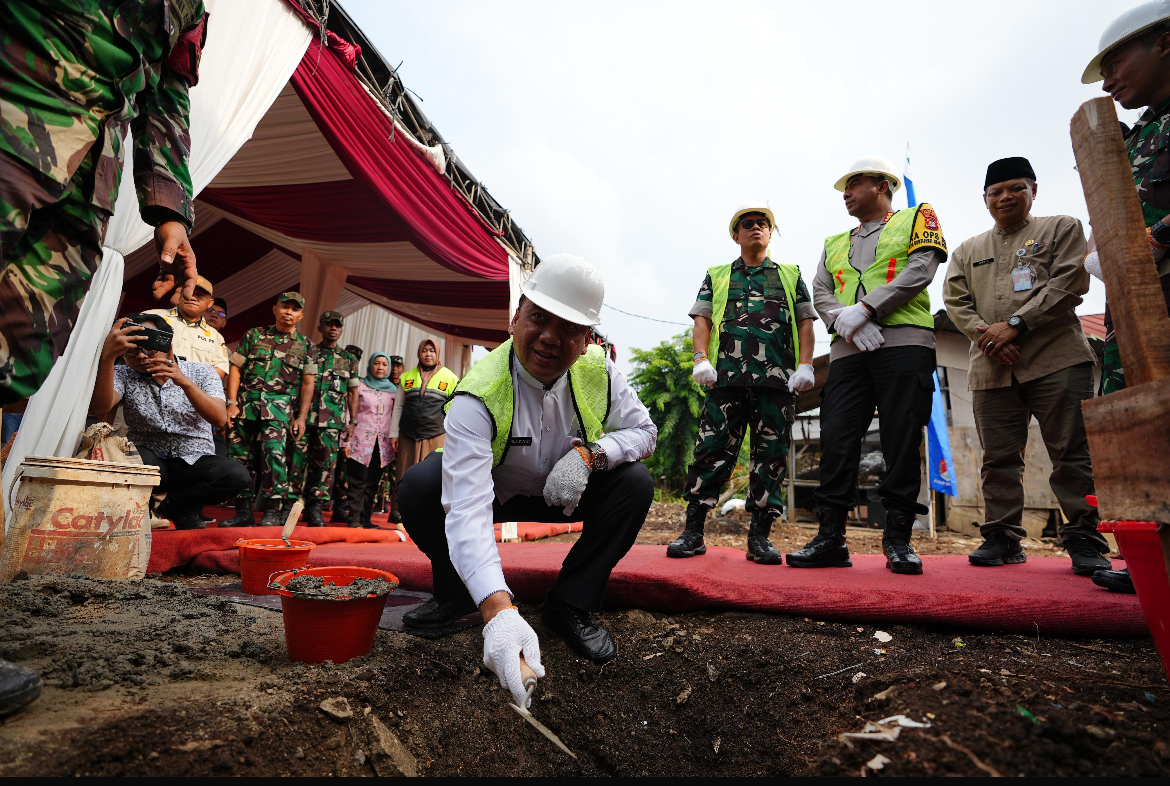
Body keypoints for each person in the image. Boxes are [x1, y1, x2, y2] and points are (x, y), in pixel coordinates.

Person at [397, 255, 657, 702]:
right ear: (516, 317)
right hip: (496, 490)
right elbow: (467, 508)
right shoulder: (477, 391)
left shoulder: (599, 371)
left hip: (566, 493)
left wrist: (593, 456)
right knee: (420, 486)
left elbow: (644, 431)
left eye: (570, 329)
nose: (550, 339)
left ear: (587, 338)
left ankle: (571, 604)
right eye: (538, 319)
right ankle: (460, 593)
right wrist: (498, 610)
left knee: (635, 484)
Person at [0, 1, 208, 409]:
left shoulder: (193, 6)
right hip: (17, 113)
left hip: (90, 180)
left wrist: (170, 211)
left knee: (21, 353)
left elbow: (167, 92)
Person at [943, 157, 1110, 576]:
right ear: (984, 199)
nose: (1005, 197)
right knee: (997, 458)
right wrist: (989, 336)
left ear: (1033, 190)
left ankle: (1086, 538)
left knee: (1072, 453)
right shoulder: (968, 250)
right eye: (996, 191)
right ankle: (1002, 537)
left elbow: (1071, 281)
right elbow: (955, 302)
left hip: (1056, 359)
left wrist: (1016, 324)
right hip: (991, 365)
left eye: (1016, 188)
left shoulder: (1061, 228)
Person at [789, 157, 948, 575]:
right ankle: (830, 538)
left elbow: (921, 269)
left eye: (854, 184)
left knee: (899, 438)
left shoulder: (918, 216)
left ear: (881, 186)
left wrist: (867, 309)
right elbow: (821, 290)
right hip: (847, 349)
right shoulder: (834, 241)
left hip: (905, 342)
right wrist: (846, 321)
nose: (845, 193)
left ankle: (898, 539)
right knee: (837, 439)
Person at [668, 205, 817, 563]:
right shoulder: (718, 275)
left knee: (771, 458)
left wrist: (806, 365)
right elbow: (702, 318)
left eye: (762, 224)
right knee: (711, 452)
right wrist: (700, 358)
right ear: (735, 235)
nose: (755, 228)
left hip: (776, 382)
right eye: (746, 225)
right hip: (727, 380)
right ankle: (693, 533)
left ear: (770, 233)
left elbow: (806, 323)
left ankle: (759, 538)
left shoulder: (789, 274)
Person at [1082, 0, 1170, 593]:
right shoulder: (1138, 136)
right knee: (1140, 430)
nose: (1108, 81)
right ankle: (1154, 564)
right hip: (1134, 309)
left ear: (1163, 42)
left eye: (1115, 63)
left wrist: (1156, 240)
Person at [88, 314, 248, 529]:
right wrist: (108, 358)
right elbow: (99, 407)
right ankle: (143, 507)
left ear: (167, 345)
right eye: (131, 351)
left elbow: (219, 418)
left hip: (194, 461)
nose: (142, 357)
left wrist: (183, 380)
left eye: (149, 349)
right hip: (150, 462)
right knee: (128, 456)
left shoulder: (202, 372)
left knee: (236, 476)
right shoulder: (123, 373)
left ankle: (177, 505)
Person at [222, 293, 317, 527]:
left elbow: (307, 383)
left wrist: (301, 417)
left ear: (301, 315)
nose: (288, 312)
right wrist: (231, 402)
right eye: (284, 307)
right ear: (274, 309)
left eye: (295, 309)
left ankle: (271, 512)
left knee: (274, 458)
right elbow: (236, 369)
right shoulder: (253, 335)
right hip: (244, 409)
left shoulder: (306, 345)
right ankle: (243, 511)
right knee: (239, 459)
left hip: (278, 413)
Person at [298, 312, 360, 526]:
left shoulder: (349, 359)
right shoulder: (309, 351)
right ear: (320, 327)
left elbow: (352, 392)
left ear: (341, 330)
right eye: (328, 325)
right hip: (304, 418)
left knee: (325, 466)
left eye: (337, 325)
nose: (333, 329)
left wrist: (352, 422)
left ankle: (315, 509)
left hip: (332, 421)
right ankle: (291, 507)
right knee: (297, 462)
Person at [390, 339, 458, 481]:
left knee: (431, 477)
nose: (428, 354)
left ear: (438, 354)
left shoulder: (450, 378)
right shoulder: (406, 376)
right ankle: (403, 504)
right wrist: (394, 434)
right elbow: (398, 407)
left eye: (432, 351)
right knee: (404, 476)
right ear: (419, 353)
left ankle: (430, 505)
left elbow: (456, 411)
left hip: (437, 435)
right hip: (407, 435)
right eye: (424, 350)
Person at [345, 352, 398, 529]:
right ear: (370, 365)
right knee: (357, 480)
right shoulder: (360, 386)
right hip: (360, 441)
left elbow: (396, 415)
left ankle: (365, 519)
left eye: (384, 364)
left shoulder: (394, 391)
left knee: (373, 482)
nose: (380, 367)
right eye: (377, 363)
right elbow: (349, 412)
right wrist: (345, 441)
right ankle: (353, 518)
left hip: (382, 445)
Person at [145, 276, 229, 379]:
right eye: (189, 292)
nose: (192, 298)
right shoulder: (151, 317)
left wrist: (188, 382)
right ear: (179, 293)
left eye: (199, 295)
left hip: (188, 392)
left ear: (210, 303)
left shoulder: (216, 337)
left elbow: (220, 370)